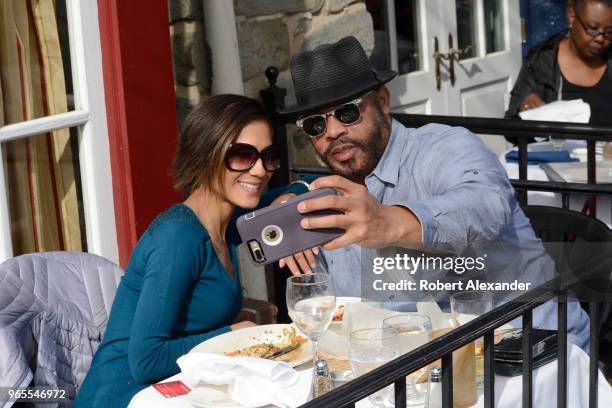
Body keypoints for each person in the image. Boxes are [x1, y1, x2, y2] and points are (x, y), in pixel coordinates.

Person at [277, 36, 590, 350]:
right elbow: (332, 313)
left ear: (383, 101)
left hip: (529, 347)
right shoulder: (326, 199)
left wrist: (388, 222)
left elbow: (486, 208)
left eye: (347, 113)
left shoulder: (443, 148)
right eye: (315, 124)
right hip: (412, 367)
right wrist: (288, 214)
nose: (332, 131)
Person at [74, 95, 305, 407]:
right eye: (242, 155)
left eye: (269, 156)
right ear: (205, 155)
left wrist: (294, 193)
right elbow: (146, 360)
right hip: (123, 396)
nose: (260, 170)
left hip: (181, 391)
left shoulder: (228, 221)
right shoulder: (178, 238)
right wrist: (234, 332)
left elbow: (305, 187)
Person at [505, 0, 612, 125]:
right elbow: (511, 128)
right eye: (592, 29)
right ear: (571, 15)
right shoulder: (541, 62)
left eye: (609, 32)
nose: (600, 38)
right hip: (559, 145)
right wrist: (524, 111)